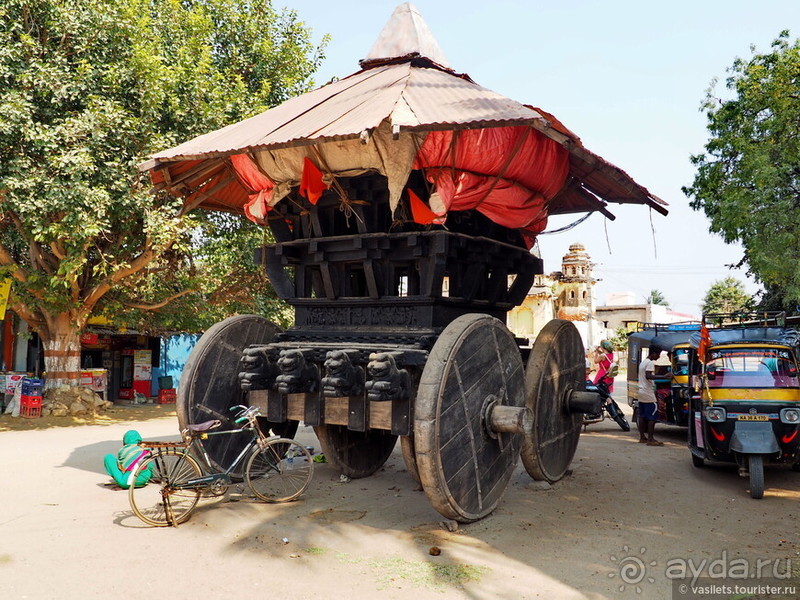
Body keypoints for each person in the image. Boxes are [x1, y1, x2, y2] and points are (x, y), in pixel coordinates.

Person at [637, 349, 663, 446]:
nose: (659, 357)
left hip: (641, 391)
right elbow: (648, 376)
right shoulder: (650, 363)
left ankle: (642, 437)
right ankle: (650, 439)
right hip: (648, 392)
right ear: (654, 353)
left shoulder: (643, 362)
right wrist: (664, 376)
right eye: (658, 354)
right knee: (652, 416)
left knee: (642, 416)